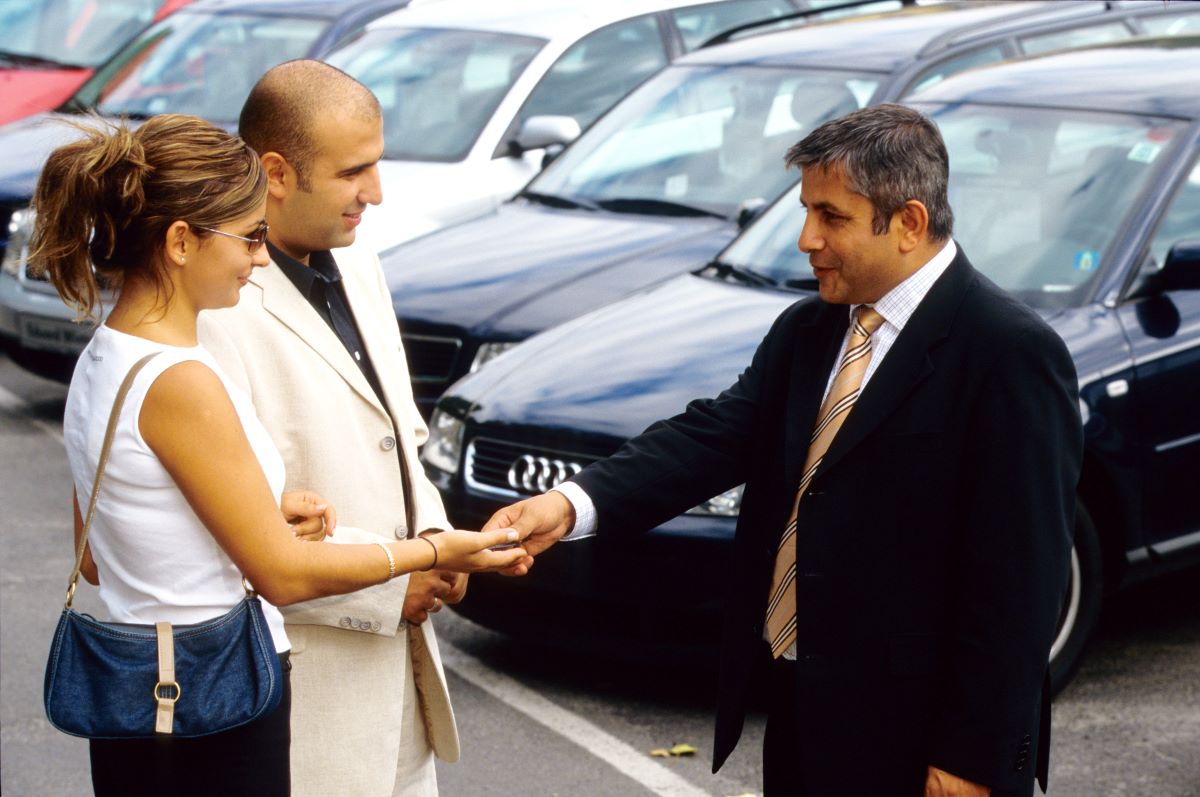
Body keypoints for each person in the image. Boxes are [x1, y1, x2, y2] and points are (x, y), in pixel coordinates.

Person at [484, 104, 1083, 797]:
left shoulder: (1008, 352)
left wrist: (972, 757)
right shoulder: (811, 329)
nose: (806, 238)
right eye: (806, 211)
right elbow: (712, 434)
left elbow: (1020, 582)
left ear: (910, 224)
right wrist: (570, 504)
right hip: (804, 712)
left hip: (923, 744)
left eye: (831, 217)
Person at [30, 113, 525, 797]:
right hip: (211, 702)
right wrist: (436, 550)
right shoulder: (183, 380)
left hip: (145, 706)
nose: (261, 258)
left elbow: (97, 552)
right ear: (181, 242)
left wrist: (255, 515)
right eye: (251, 236)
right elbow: (284, 575)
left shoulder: (105, 355)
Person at [196, 60, 466, 797]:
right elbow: (230, 522)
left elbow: (396, 432)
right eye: (355, 172)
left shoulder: (361, 258)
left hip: (405, 695)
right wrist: (393, 583)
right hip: (304, 704)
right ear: (277, 173)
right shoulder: (212, 304)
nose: (375, 194)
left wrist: (438, 545)